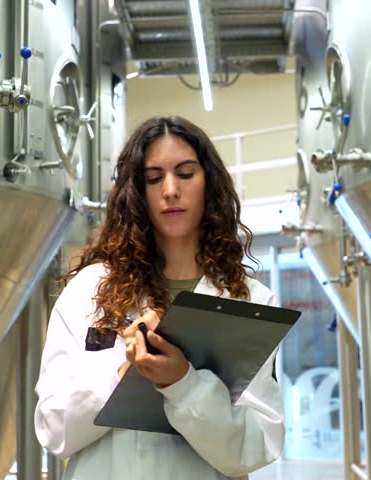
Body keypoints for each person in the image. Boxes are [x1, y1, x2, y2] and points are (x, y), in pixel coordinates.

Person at [34, 116, 285, 479]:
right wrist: (121, 374)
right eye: (154, 178)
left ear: (208, 185)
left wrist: (183, 383)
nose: (170, 190)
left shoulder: (249, 302)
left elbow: (255, 445)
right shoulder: (88, 291)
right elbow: (53, 430)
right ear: (138, 192)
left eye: (185, 174)